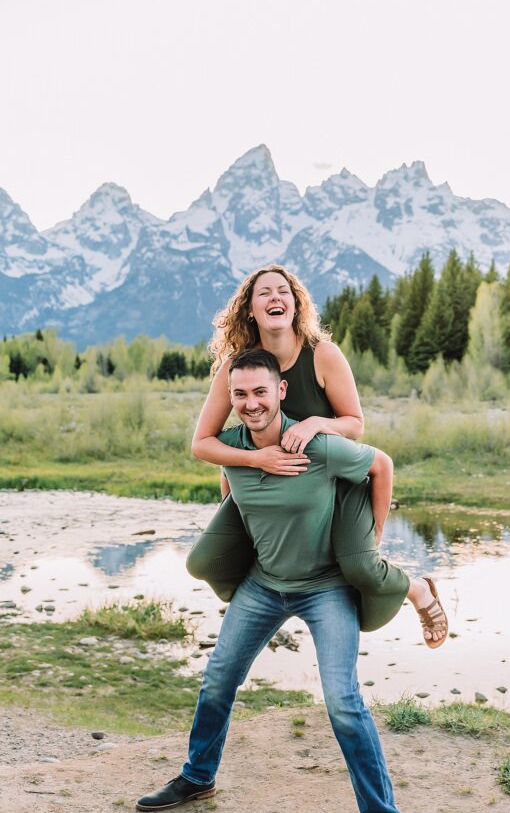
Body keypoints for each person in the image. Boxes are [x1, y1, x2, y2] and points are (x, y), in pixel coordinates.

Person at [136, 350, 446, 813]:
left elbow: (381, 465)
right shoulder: (231, 448)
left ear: (281, 392)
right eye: (240, 395)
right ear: (231, 400)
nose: (250, 403)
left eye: (261, 392)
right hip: (264, 587)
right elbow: (221, 478)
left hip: (326, 589)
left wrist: (372, 542)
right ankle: (198, 776)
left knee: (343, 701)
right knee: (216, 681)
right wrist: (251, 466)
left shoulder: (315, 445)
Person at [186, 264, 447, 643]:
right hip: (258, 482)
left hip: (332, 481)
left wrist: (313, 425)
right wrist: (256, 461)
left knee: (361, 569)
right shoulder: (237, 368)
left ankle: (418, 590)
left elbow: (355, 423)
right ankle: (261, 597)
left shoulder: (322, 354)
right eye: (264, 293)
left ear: (295, 304)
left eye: (283, 292)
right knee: (205, 561)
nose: (275, 297)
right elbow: (203, 443)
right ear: (250, 310)